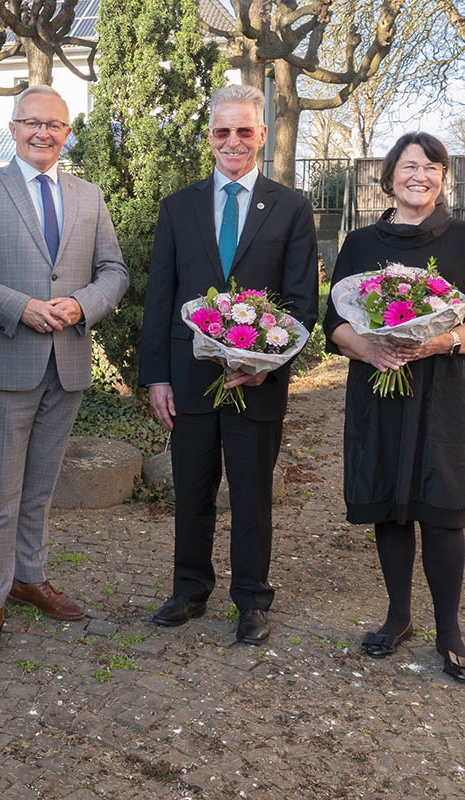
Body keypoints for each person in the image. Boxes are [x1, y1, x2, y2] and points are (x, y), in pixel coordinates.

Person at [0, 85, 128, 659]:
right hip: (6, 358)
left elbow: (114, 270)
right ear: (13, 127)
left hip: (67, 361)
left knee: (41, 488)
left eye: (54, 124)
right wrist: (20, 306)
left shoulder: (89, 196)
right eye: (31, 123)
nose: (42, 133)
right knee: (0, 491)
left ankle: (29, 577)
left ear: (67, 132)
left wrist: (82, 304)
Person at [138, 84, 319, 644]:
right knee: (191, 491)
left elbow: (299, 301)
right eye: (222, 131)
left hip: (257, 383)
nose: (233, 141)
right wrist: (156, 376)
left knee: (250, 495)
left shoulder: (291, 208)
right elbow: (160, 296)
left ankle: (252, 599)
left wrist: (270, 363)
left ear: (262, 134)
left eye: (244, 131)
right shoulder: (178, 207)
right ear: (210, 137)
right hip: (189, 381)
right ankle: (190, 588)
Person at [323, 132, 465, 683]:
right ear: (389, 176)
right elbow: (332, 321)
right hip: (381, 392)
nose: (419, 175)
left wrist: (439, 341)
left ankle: (449, 632)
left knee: (443, 512)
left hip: (444, 393)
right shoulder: (359, 243)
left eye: (430, 166)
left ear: (443, 176)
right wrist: (369, 347)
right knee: (390, 506)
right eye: (408, 166)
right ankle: (398, 616)